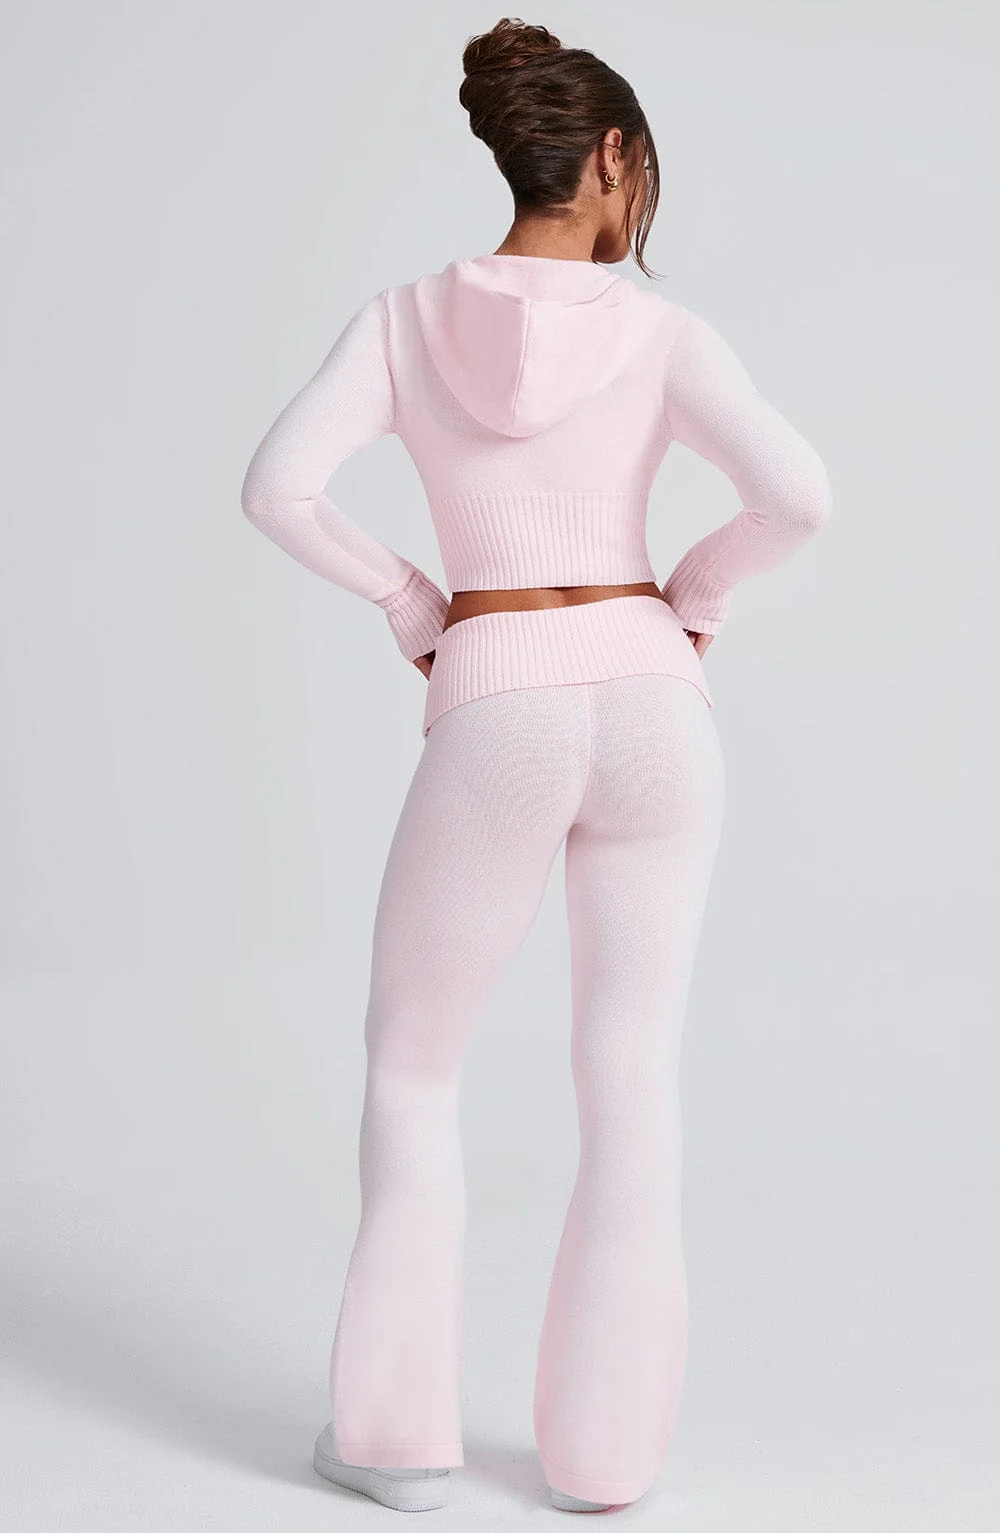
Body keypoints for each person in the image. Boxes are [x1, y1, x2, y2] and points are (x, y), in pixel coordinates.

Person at [239, 15, 832, 1516]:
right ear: (613, 156)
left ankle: (397, 1442)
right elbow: (798, 497)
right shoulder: (662, 332)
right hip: (650, 697)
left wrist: (412, 606)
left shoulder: (400, 321)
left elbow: (279, 488)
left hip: (498, 685)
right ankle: (603, 1460)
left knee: (414, 1063)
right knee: (631, 1070)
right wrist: (692, 600)